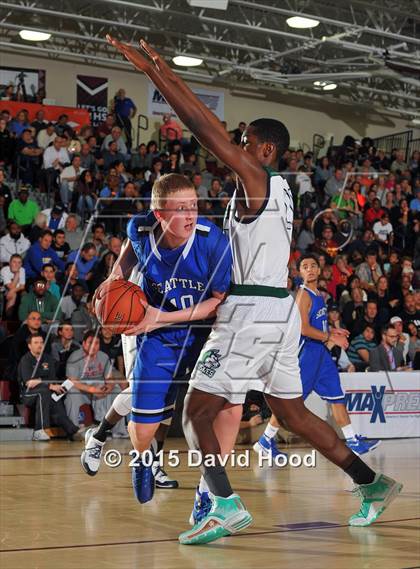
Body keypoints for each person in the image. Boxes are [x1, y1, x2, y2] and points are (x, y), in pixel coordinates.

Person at [107, 35, 402, 544]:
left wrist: (159, 74)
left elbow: (204, 128)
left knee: (194, 411)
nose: (234, 147)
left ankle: (223, 504)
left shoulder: (258, 176)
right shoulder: (277, 187)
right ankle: (370, 482)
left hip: (250, 311)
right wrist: (162, 70)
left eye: (243, 142)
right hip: (277, 310)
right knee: (291, 413)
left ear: (264, 149)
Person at [81, 173, 235, 495]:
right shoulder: (140, 228)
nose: (191, 214)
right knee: (146, 395)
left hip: (192, 327)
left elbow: (216, 302)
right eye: (182, 208)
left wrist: (162, 317)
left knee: (180, 398)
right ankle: (118, 445)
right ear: (159, 215)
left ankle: (154, 460)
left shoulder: (212, 240)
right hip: (142, 320)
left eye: (194, 205)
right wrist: (114, 278)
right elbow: (129, 250)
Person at [254, 254, 379, 459]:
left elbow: (318, 325)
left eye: (313, 265)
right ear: (300, 272)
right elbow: (303, 329)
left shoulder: (319, 294)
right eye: (305, 266)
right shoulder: (303, 295)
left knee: (337, 396)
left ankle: (352, 441)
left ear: (319, 270)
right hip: (307, 355)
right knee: (292, 404)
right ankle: (265, 440)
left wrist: (333, 332)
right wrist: (330, 336)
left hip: (321, 353)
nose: (310, 269)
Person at [64, 330, 127, 436]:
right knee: (72, 392)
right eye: (90, 342)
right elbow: (72, 380)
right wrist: (92, 390)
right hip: (82, 390)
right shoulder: (75, 357)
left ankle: (119, 432)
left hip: (98, 388)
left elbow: (109, 377)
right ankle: (74, 431)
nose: (94, 346)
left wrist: (109, 387)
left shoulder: (103, 356)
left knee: (117, 391)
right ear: (84, 343)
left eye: (97, 343)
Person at [18, 334, 79, 441]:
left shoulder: (48, 359)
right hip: (27, 394)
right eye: (36, 343)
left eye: (41, 342)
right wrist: (45, 382)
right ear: (29, 346)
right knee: (45, 392)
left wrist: (45, 383)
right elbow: (29, 383)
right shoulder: (26, 360)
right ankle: (39, 430)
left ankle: (72, 431)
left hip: (45, 392)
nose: (39, 345)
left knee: (54, 397)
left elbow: (52, 379)